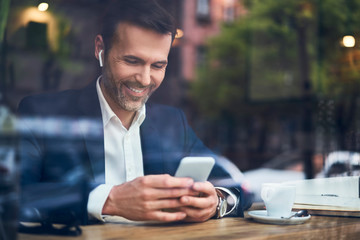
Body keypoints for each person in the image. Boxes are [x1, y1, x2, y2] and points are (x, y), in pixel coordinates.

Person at [17, 0, 252, 225]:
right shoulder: (41, 114)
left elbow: (238, 187)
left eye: (158, 65)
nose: (145, 79)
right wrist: (108, 200)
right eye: (132, 61)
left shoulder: (172, 123)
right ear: (100, 49)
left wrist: (217, 201)